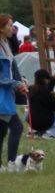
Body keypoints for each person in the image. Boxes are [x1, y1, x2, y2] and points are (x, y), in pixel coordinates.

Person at [28, 70, 55, 139]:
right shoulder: (45, 92)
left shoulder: (31, 89)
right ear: (45, 80)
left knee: (28, 112)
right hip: (44, 123)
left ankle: (34, 132)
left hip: (32, 122)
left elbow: (45, 90)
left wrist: (54, 80)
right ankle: (52, 134)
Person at [0, 24, 20, 164]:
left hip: (7, 93)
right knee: (16, 127)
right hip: (2, 94)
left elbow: (12, 67)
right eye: (9, 25)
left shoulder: (5, 44)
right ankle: (11, 162)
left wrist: (20, 79)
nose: (12, 28)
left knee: (2, 131)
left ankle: (9, 163)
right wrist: (15, 83)